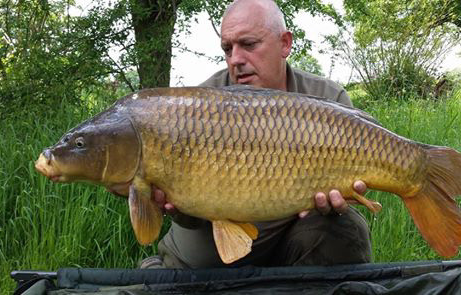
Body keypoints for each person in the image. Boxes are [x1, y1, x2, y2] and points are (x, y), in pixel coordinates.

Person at [140, 0, 372, 269]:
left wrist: (341, 198)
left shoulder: (328, 99)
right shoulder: (197, 110)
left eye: (248, 44)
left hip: (294, 239)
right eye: (227, 48)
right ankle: (162, 269)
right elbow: (189, 216)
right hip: (211, 252)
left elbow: (350, 190)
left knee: (346, 226)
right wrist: (174, 205)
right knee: (190, 267)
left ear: (285, 44)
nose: (236, 59)